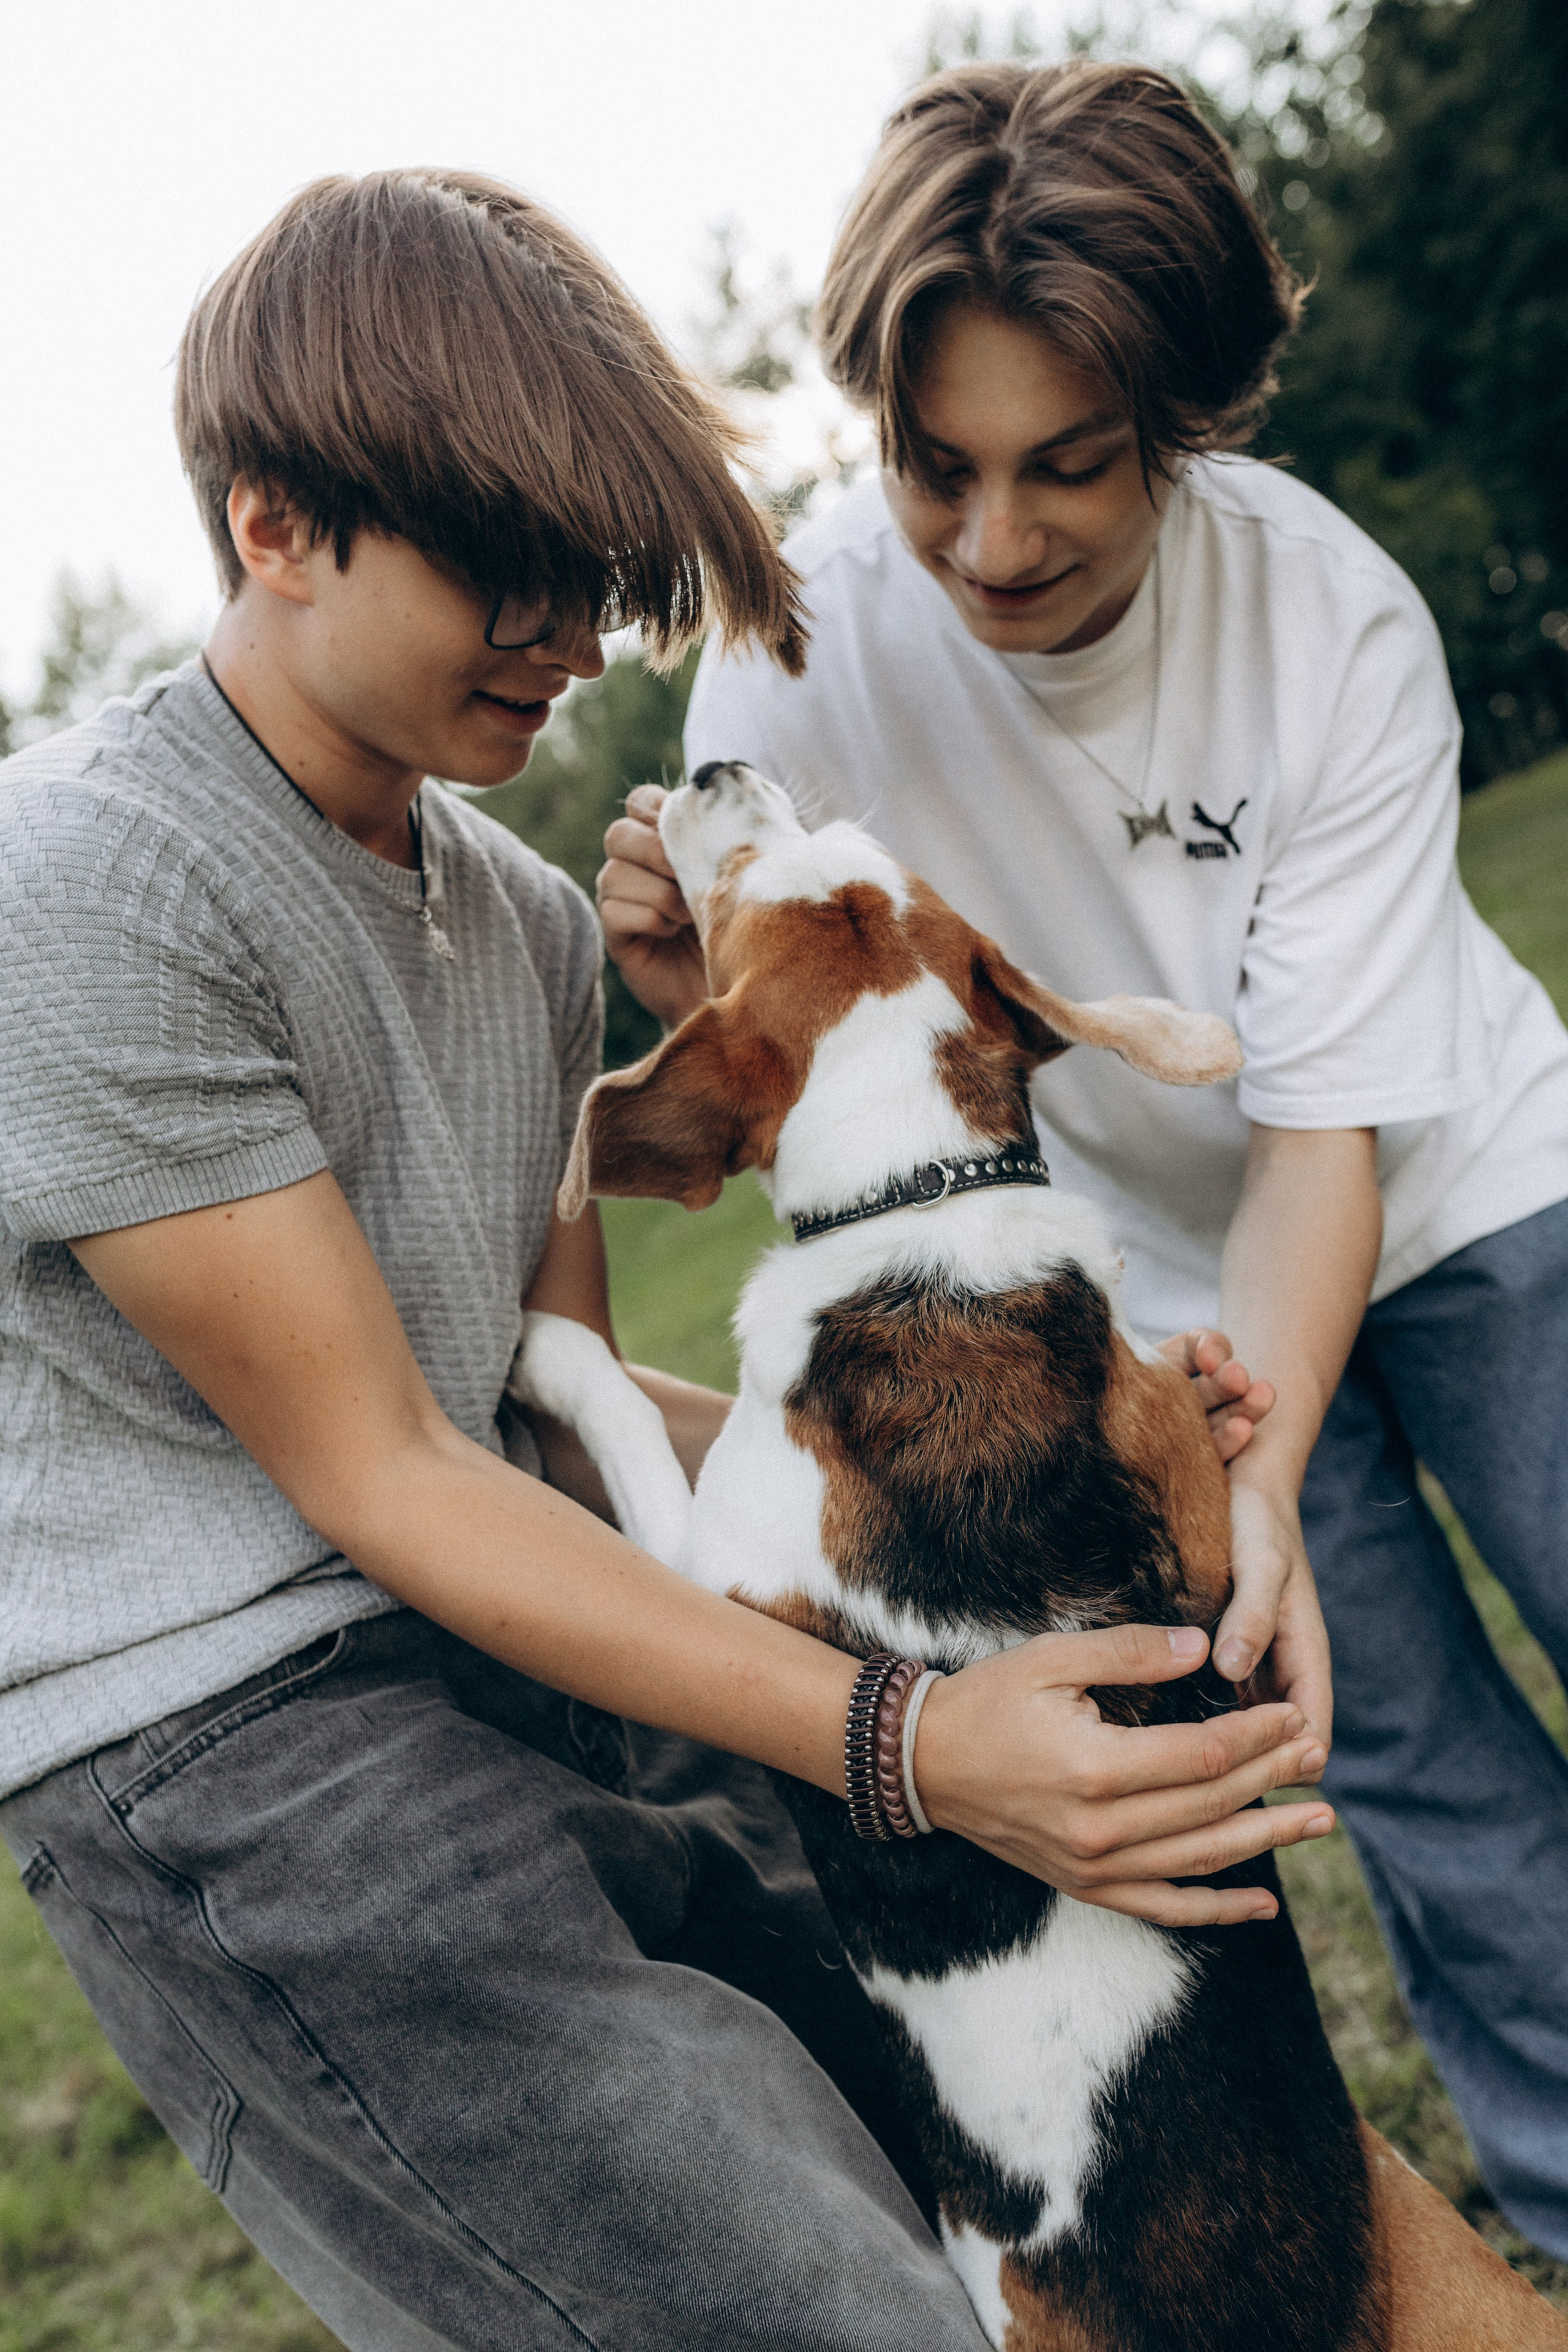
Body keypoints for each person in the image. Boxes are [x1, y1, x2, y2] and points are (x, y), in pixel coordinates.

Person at [0, 168, 1333, 2351]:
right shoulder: (86, 892)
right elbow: (383, 1472)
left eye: (603, 580)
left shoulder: (525, 926)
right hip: (246, 1748)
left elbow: (556, 1410)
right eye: (508, 574)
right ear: (272, 521)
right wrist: (915, 1741)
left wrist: (1064, 1418)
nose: (580, 640)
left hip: (530, 1617)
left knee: (1001, 2235)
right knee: (835, 2313)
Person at [600, 61, 1568, 2262]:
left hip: (1465, 1188)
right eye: (938, 469)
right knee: (1400, 1768)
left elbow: (1325, 1134)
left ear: (1188, 422)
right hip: (1112, 1298)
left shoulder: (1330, 625)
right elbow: (747, 1038)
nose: (997, 541)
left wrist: (1270, 1467)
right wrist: (658, 952)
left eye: (1073, 469)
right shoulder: (794, 640)